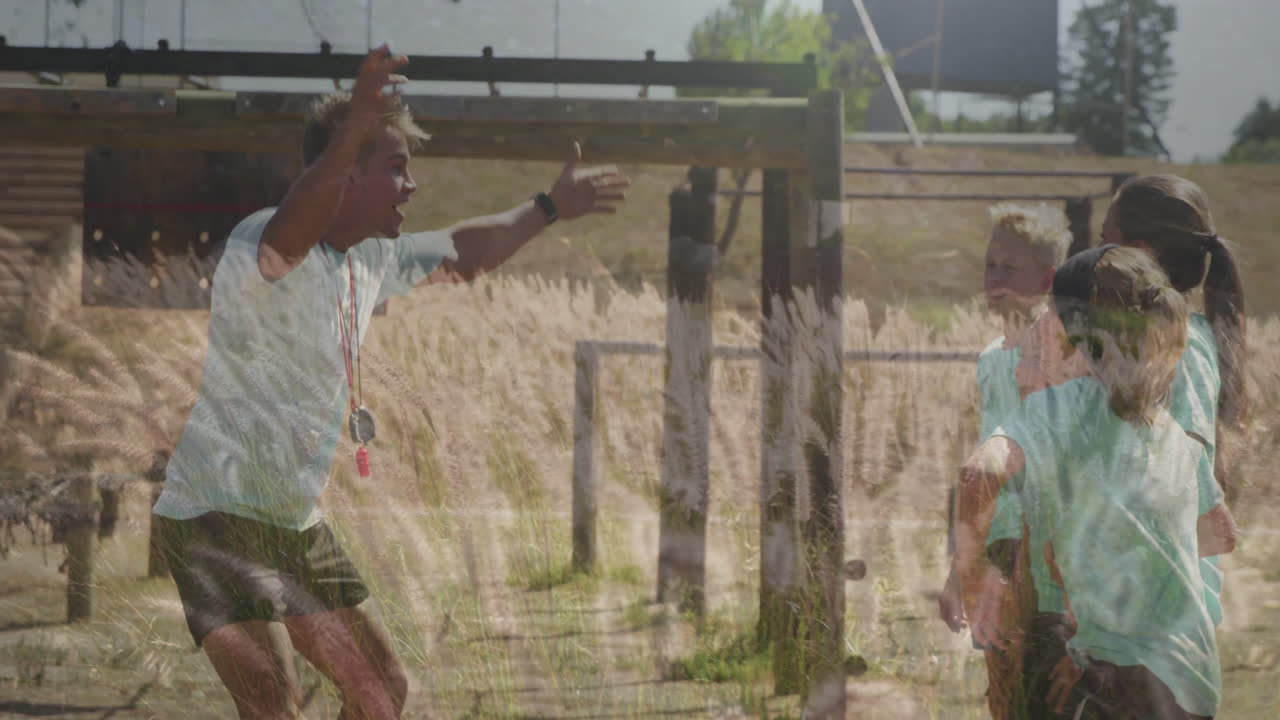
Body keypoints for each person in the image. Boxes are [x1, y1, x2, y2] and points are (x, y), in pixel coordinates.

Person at [151, 46, 630, 720]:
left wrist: (550, 205)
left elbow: (466, 250)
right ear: (345, 173)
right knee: (271, 706)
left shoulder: (371, 256)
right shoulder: (262, 243)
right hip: (210, 517)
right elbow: (288, 238)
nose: (413, 186)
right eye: (396, 168)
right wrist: (353, 129)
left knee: (382, 692)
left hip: (292, 521)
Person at [954, 246, 1238, 719]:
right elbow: (1218, 535)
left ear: (1071, 336)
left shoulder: (1061, 409)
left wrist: (973, 575)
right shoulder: (1169, 431)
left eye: (1046, 332)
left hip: (1118, 684)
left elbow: (978, 472)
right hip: (1190, 681)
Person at [938, 204, 1073, 720]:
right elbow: (983, 463)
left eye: (1009, 267)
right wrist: (960, 570)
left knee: (1045, 689)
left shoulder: (1063, 352)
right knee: (1002, 692)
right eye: (989, 265)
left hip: (1050, 551)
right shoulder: (992, 358)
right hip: (996, 543)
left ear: (1046, 277)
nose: (994, 278)